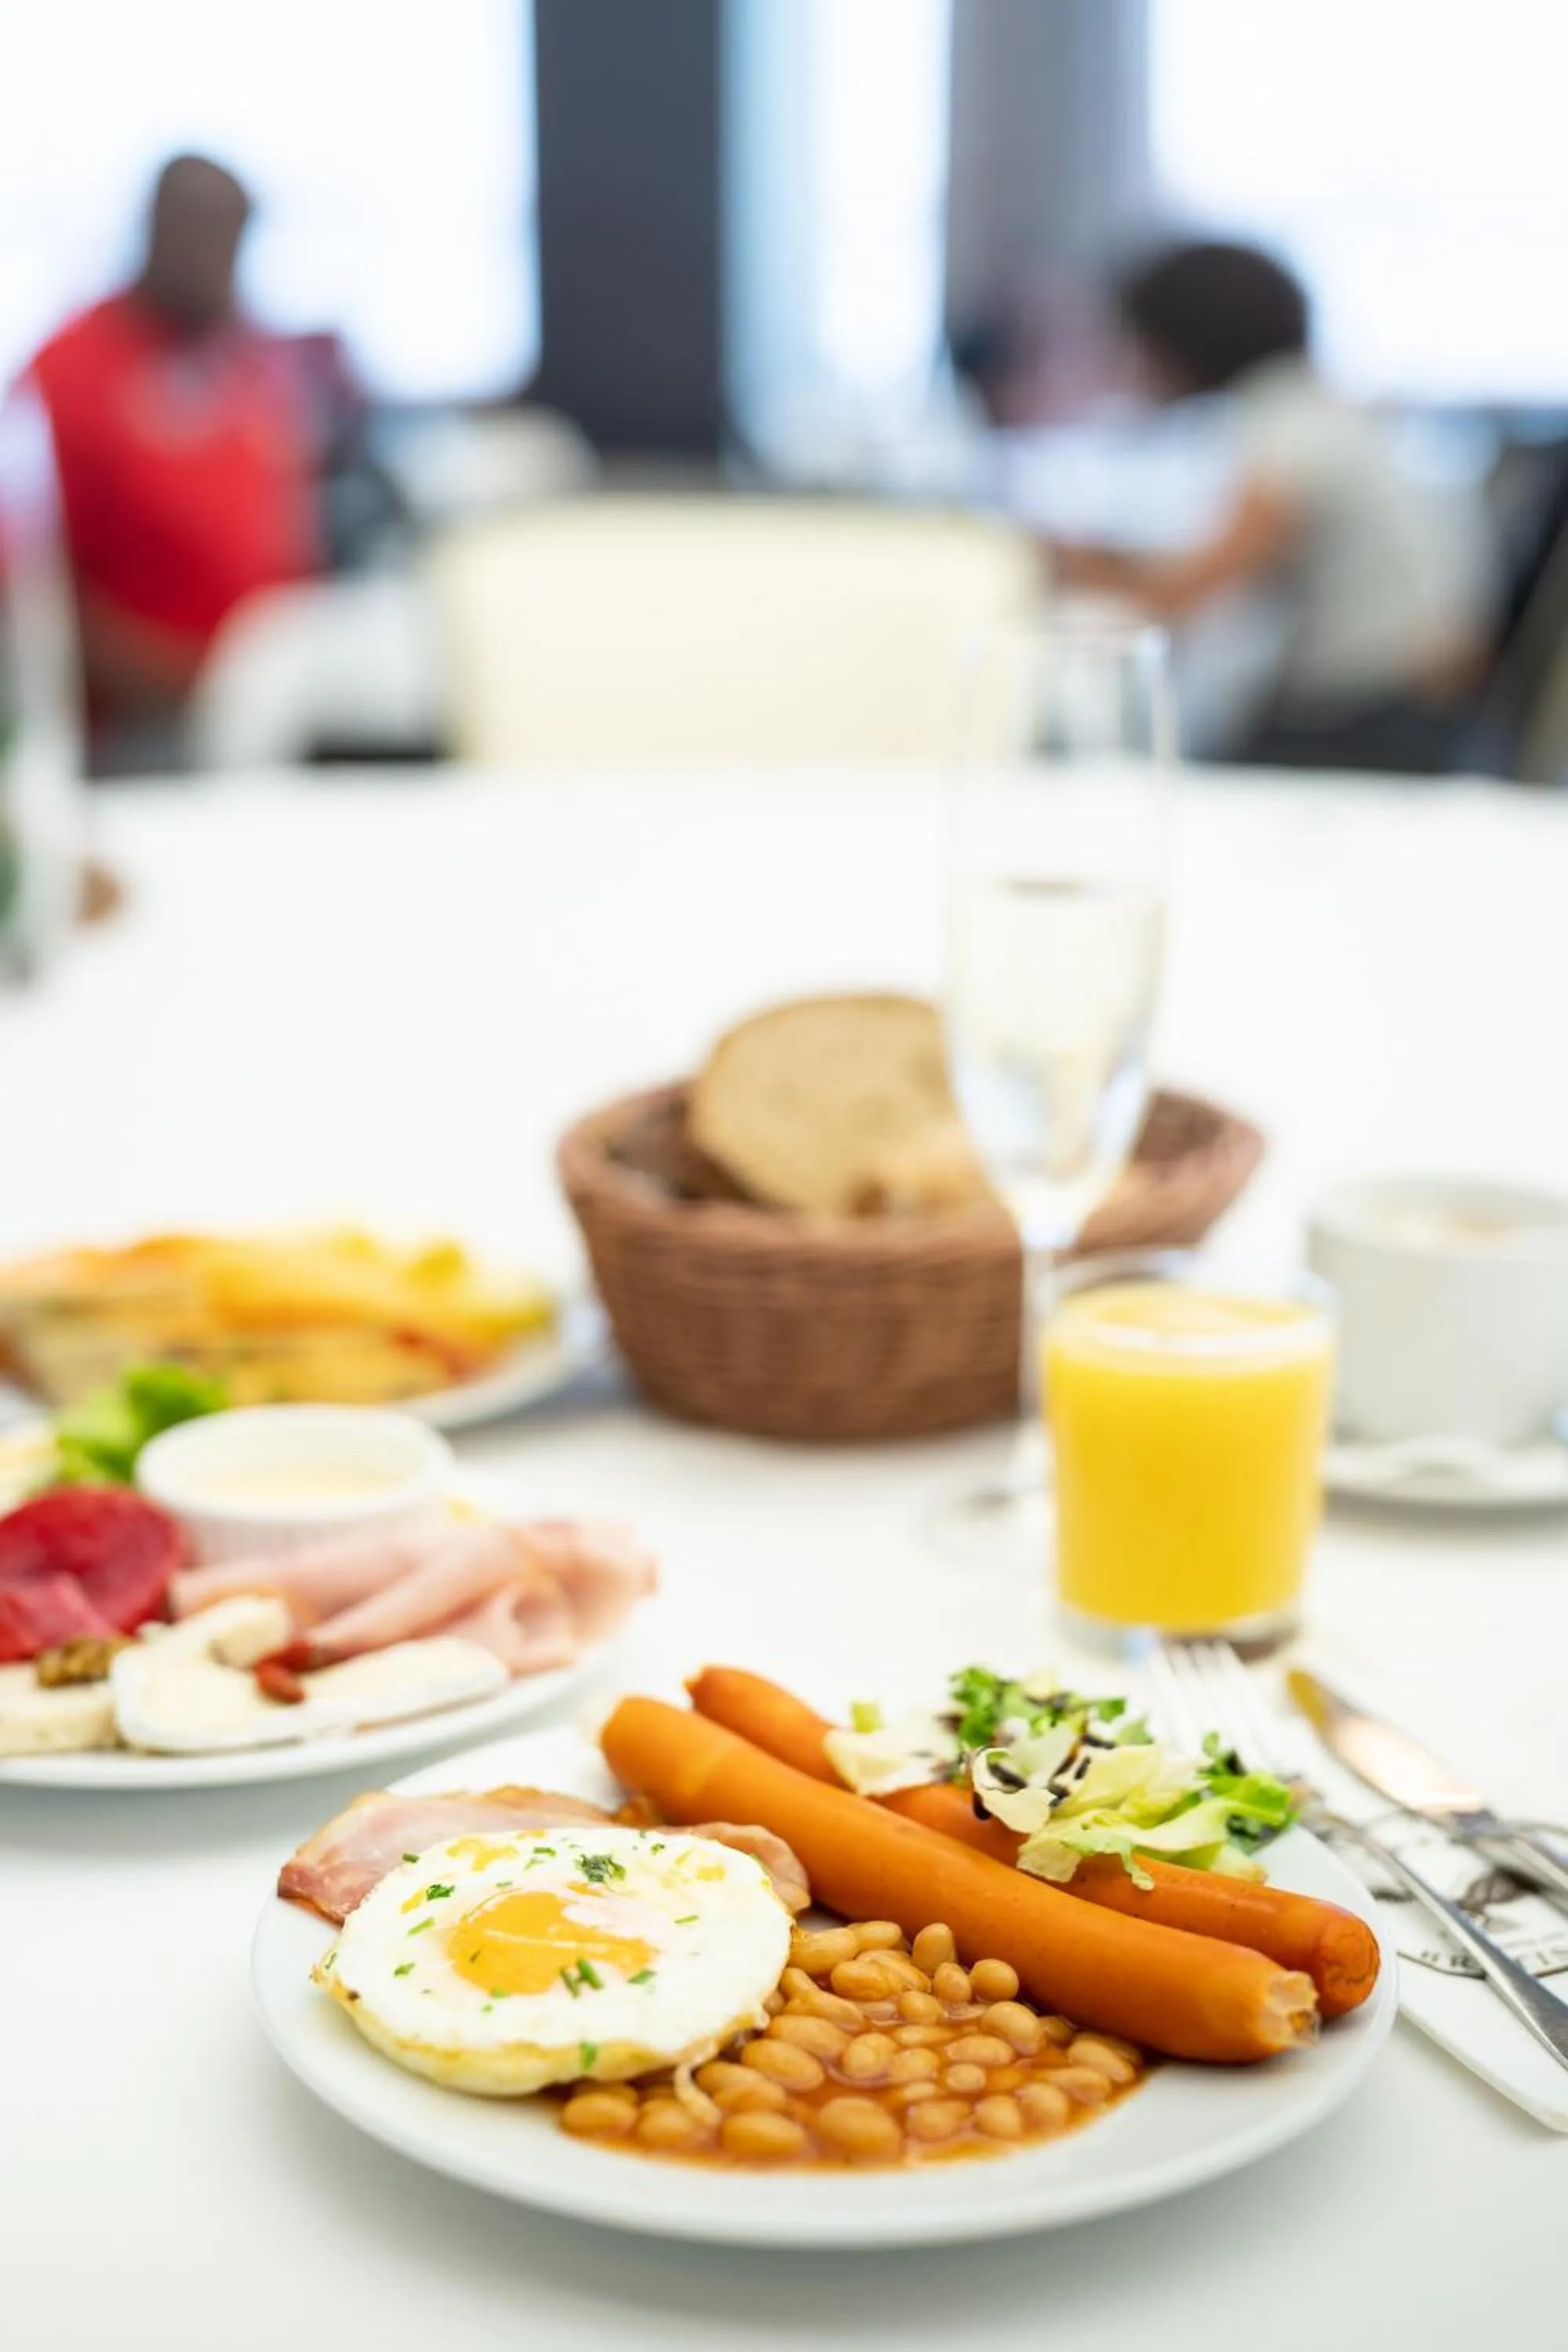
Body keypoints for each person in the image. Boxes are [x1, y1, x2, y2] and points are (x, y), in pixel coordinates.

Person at [1053, 240, 1485, 772]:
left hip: (1372, 719)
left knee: (1159, 758)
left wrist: (1066, 565)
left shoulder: (1288, 430)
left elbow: (1186, 600)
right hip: (1417, 702)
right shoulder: (1315, 404)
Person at [25, 154, 321, 765]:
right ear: (161, 229)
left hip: (275, 693)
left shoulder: (246, 359)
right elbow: (33, 591)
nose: (226, 268)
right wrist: (186, 686)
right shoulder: (68, 375)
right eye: (212, 240)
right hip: (140, 725)